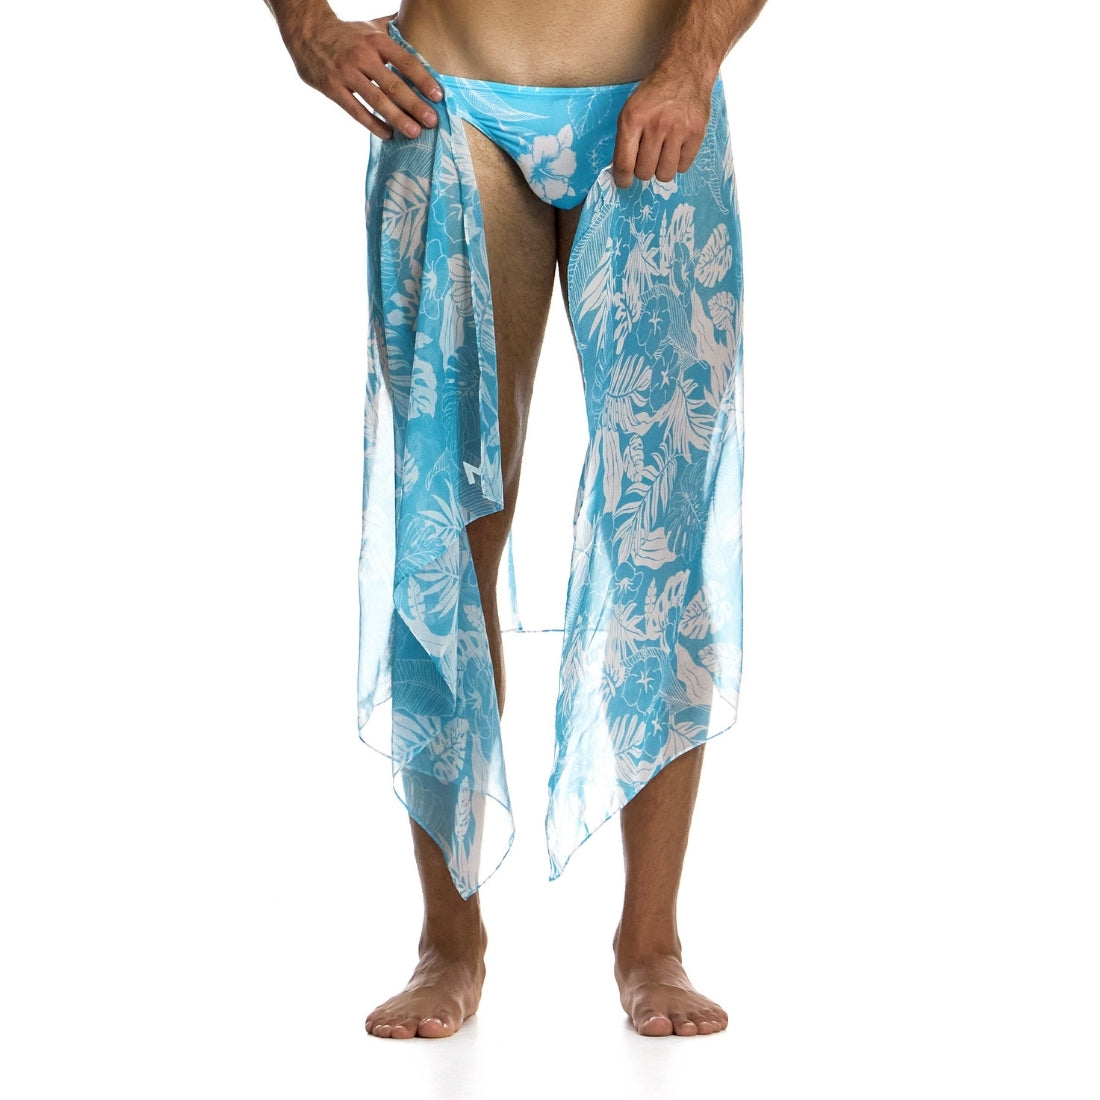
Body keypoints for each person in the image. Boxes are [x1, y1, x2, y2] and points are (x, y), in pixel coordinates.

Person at [263, 0, 767, 1038]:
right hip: (446, 104)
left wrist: (694, 60)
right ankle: (448, 942)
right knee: (443, 533)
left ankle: (651, 940)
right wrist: (306, 26)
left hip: (654, 101)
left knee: (660, 538)